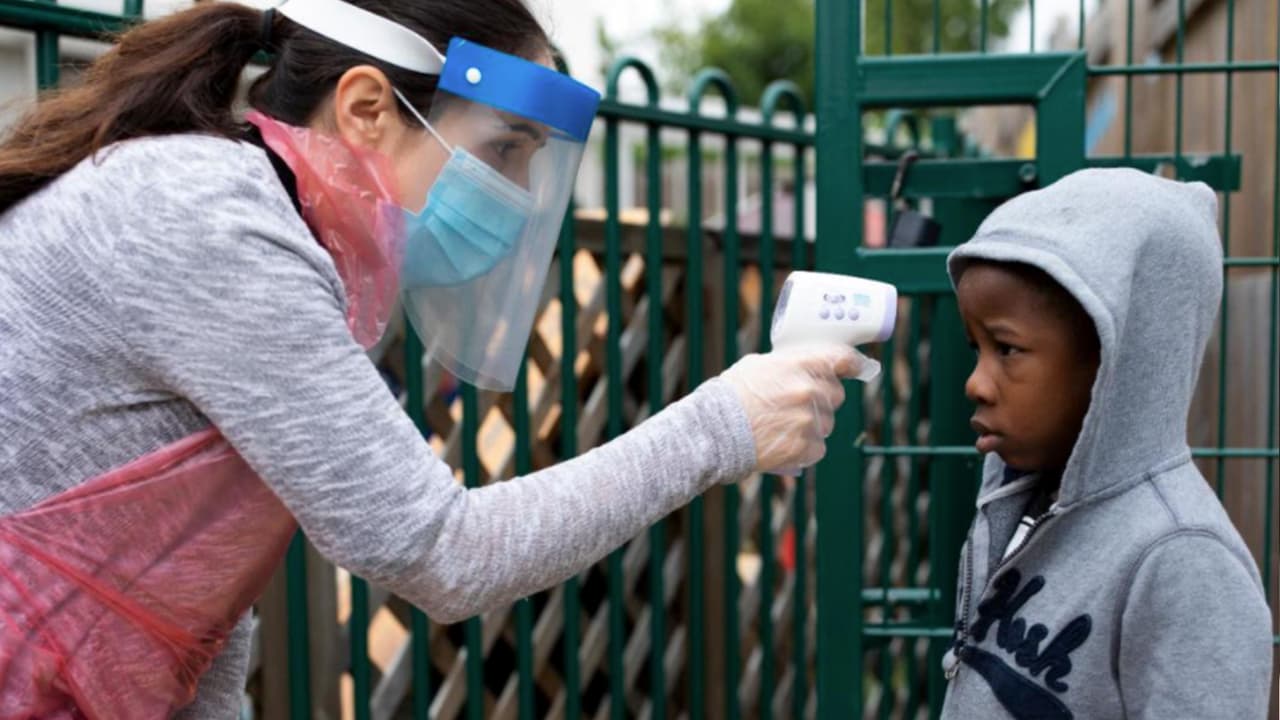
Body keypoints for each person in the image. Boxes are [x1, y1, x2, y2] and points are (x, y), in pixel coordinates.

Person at [0, 0, 873, 716]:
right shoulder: (212, 224)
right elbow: (439, 552)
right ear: (368, 108)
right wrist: (723, 425)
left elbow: (200, 595)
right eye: (503, 150)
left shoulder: (275, 228)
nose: (520, 197)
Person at [940, 168, 1273, 719]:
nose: (975, 382)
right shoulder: (1026, 507)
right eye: (975, 346)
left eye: (1006, 348)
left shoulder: (1185, 561)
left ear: (1116, 361)